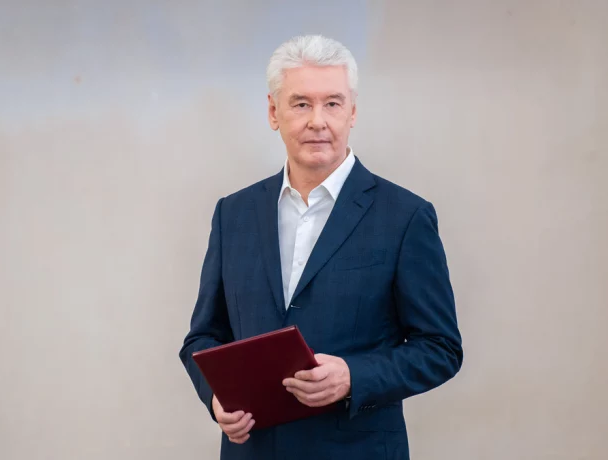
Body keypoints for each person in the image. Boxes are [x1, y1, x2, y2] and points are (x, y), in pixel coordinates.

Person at [179, 34, 463, 460]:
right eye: (300, 104)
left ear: (353, 112)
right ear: (273, 112)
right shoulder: (233, 213)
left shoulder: (405, 216)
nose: (318, 120)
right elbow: (203, 336)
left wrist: (353, 376)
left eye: (332, 103)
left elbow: (441, 348)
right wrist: (217, 397)